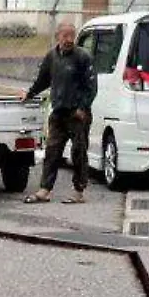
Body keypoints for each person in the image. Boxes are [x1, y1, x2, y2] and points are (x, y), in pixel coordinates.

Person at [23, 21, 98, 204]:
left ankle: (79, 190)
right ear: (58, 36)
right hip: (58, 112)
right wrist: (30, 93)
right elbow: (43, 80)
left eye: (72, 35)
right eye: (65, 36)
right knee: (52, 151)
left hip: (77, 114)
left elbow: (91, 87)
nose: (69, 39)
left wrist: (82, 107)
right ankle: (45, 189)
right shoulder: (52, 57)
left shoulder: (83, 57)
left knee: (78, 152)